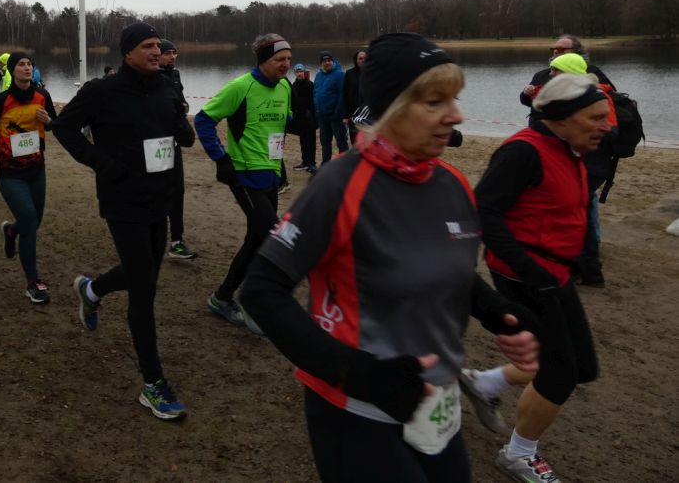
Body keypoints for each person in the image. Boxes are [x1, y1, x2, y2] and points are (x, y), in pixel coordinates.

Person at [238, 32, 540, 483]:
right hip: (356, 408)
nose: (456, 115)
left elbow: (444, 266)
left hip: (436, 403)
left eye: (454, 99)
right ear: (394, 108)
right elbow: (261, 292)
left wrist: (498, 312)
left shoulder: (453, 183)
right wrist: (356, 373)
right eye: (435, 102)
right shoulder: (340, 184)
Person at [462, 73, 609, 483]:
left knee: (583, 367)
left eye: (606, 117)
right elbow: (484, 212)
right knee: (559, 373)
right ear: (562, 117)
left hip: (553, 273)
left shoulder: (569, 147)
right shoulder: (523, 152)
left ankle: (484, 382)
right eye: (596, 117)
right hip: (523, 275)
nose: (606, 126)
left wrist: (577, 260)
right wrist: (531, 271)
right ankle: (518, 454)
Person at [52, 21, 195, 421]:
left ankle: (92, 289)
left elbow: (181, 135)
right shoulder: (102, 91)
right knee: (144, 288)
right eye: (148, 46)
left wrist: (181, 125)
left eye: (158, 46)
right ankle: (153, 383)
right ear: (128, 52)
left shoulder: (166, 86)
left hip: (160, 197)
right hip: (122, 200)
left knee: (143, 273)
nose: (156, 51)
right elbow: (63, 128)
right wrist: (103, 164)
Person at [195, 33, 292, 331]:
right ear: (263, 60)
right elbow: (203, 120)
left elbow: (281, 123)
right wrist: (220, 158)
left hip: (270, 173)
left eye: (289, 58)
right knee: (273, 236)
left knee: (256, 239)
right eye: (279, 59)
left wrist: (303, 121)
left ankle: (222, 297)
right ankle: (254, 301)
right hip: (244, 174)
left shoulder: (285, 87)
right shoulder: (240, 87)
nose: (286, 64)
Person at [521, 41, 616, 290]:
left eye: (556, 70)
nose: (551, 74)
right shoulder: (558, 88)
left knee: (581, 214)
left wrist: (581, 134)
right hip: (570, 162)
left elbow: (609, 131)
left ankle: (588, 270)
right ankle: (578, 267)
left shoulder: (595, 94)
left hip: (587, 165)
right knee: (573, 213)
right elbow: (538, 112)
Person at [0, 52, 58, 302]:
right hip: (10, 172)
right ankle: (32, 283)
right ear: (12, 70)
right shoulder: (1, 100)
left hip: (37, 169)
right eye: (21, 65)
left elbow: (53, 125)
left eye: (29, 64)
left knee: (32, 223)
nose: (27, 68)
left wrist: (48, 120)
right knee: (29, 218)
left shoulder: (43, 96)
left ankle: (11, 231)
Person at [158, 39, 195, 260]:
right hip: (155, 143)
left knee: (178, 190)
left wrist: (184, 107)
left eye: (174, 53)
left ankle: (177, 241)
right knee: (158, 192)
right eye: (168, 53)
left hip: (174, 142)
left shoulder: (175, 75)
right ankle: (154, 237)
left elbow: (181, 103)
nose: (172, 57)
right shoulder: (151, 77)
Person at [313, 51, 348, 163]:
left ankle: (344, 165)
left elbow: (343, 95)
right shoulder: (318, 75)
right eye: (324, 61)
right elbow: (315, 93)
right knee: (325, 142)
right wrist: (316, 109)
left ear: (332, 61)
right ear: (321, 63)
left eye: (329, 60)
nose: (327, 63)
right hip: (322, 116)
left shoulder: (340, 75)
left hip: (335, 116)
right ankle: (325, 164)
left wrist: (338, 113)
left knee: (341, 142)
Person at [289, 62, 318, 172]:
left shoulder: (310, 84)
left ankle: (312, 163)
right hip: (299, 117)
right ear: (295, 73)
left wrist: (313, 116)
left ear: (304, 72)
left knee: (311, 141)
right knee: (303, 141)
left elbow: (314, 102)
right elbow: (293, 102)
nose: (299, 73)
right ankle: (305, 162)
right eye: (297, 72)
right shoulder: (294, 85)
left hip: (309, 118)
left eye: (301, 71)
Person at [342, 48, 367, 141]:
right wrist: (345, 115)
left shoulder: (373, 73)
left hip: (368, 114)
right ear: (356, 61)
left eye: (365, 58)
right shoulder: (349, 73)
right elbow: (345, 94)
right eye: (360, 58)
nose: (363, 60)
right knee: (355, 140)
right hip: (353, 113)